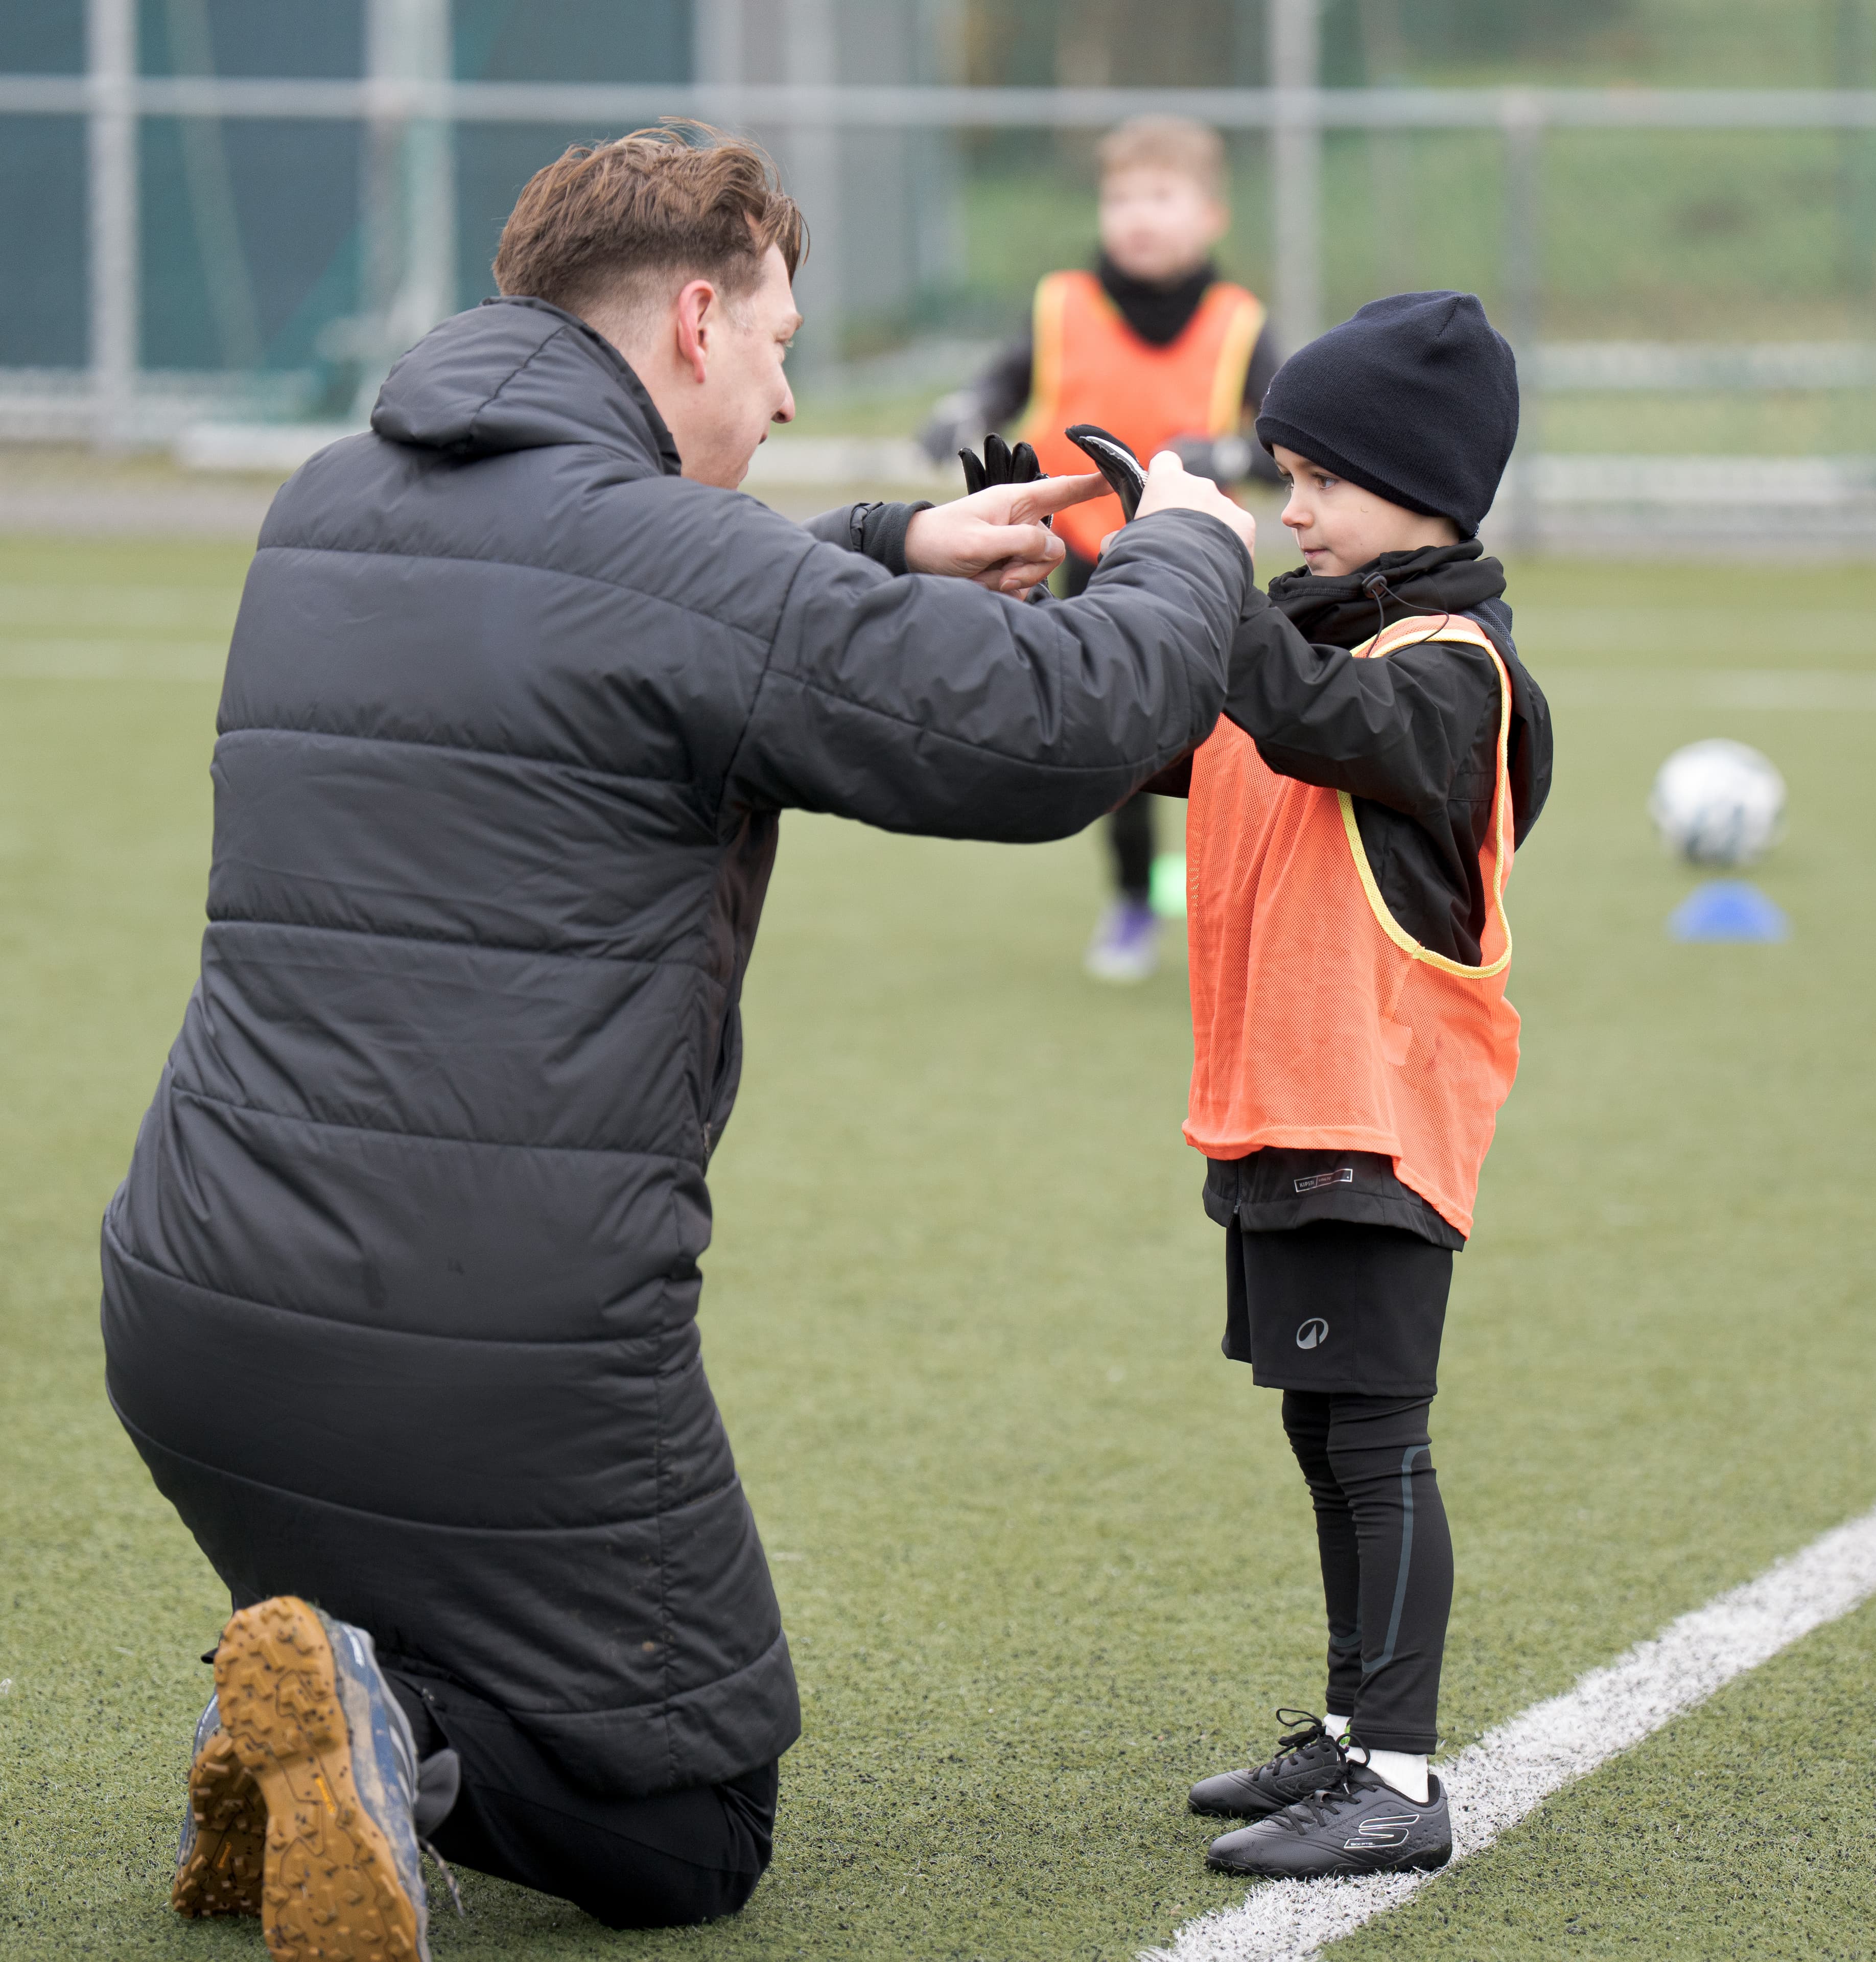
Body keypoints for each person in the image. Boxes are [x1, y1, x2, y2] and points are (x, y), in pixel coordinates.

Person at [102, 125, 1258, 1958]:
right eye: (785, 344)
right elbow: (1052, 734)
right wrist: (1191, 552)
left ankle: (326, 1692)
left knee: (469, 1612)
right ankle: (401, 1735)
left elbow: (607, 603)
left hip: (193, 1313)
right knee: (697, 1831)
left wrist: (884, 549)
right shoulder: (679, 569)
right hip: (494, 1337)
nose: (793, 398)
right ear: (698, 319)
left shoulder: (326, 497)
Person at [1146, 293, 1554, 1878]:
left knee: (1378, 1443)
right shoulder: (1313, 632)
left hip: (1375, 1121)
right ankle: (1347, 1728)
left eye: (1318, 481)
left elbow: (1324, 723)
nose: (1292, 511)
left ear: (1430, 489)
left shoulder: (1454, 669)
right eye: (1280, 479)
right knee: (1327, 1434)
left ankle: (1396, 1774)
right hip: (1281, 1106)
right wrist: (1083, 584)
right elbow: (1165, 724)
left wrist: (1195, 564)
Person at [921, 116, 1280, 983]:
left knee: (1236, 743)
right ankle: (1129, 903)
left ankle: (1239, 907)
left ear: (1211, 215)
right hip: (1083, 554)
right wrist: (963, 411)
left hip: (1201, 564)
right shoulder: (1062, 302)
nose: (1138, 216)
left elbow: (1284, 442)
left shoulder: (1239, 324)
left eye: (1162, 197)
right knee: (1125, 742)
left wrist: (1227, 456)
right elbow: (1003, 383)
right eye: (1122, 197)